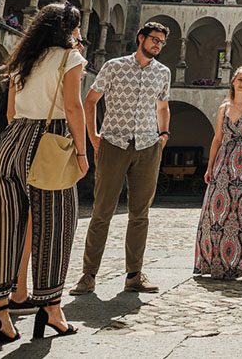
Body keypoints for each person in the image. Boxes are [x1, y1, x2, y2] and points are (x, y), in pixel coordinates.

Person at [0, 2, 88, 346]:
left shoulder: (22, 60)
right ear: (68, 28)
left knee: (4, 229)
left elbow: (11, 111)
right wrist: (83, 153)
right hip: (48, 144)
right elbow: (73, 106)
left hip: (10, 145)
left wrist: (21, 139)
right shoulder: (69, 58)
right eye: (77, 26)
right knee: (55, 228)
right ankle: (51, 309)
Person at [70, 21, 172, 296]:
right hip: (113, 143)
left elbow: (163, 106)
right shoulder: (115, 66)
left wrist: (163, 135)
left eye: (161, 42)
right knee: (102, 212)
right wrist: (93, 137)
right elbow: (90, 100)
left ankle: (134, 275)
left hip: (148, 146)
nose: (157, 45)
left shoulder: (163, 73)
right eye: (154, 39)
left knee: (140, 214)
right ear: (140, 38)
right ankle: (88, 275)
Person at [194, 65, 242, 282]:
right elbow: (217, 138)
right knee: (215, 215)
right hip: (223, 165)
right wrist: (209, 167)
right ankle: (216, 263)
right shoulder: (223, 107)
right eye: (240, 79)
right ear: (233, 81)